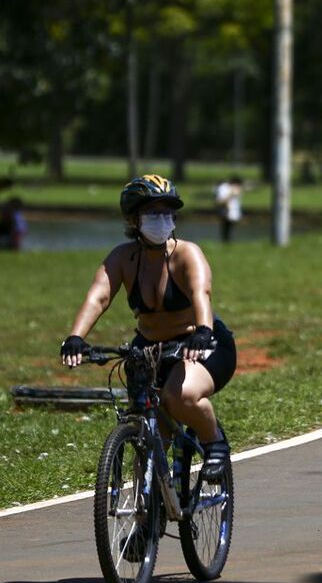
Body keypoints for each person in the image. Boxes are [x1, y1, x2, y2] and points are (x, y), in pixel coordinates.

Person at [61, 175, 237, 482]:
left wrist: (202, 331)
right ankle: (146, 516)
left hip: (202, 343)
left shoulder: (187, 253)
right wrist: (76, 336)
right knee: (148, 432)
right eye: (153, 213)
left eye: (168, 212)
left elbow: (201, 293)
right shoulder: (123, 257)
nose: (162, 219)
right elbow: (99, 296)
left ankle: (215, 444)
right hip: (150, 348)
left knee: (179, 397)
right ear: (133, 219)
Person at [214, 175, 243, 243]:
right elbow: (220, 201)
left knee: (230, 230)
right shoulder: (224, 188)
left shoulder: (234, 189)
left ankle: (228, 243)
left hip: (232, 214)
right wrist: (231, 194)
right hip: (226, 212)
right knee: (226, 231)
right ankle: (226, 243)